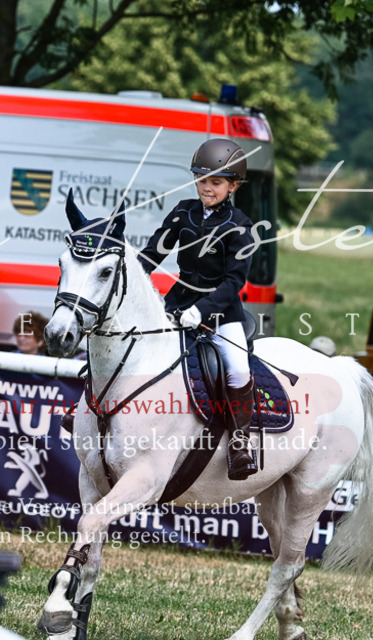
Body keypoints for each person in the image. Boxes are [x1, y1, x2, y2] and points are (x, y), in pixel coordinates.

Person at [136, 138, 258, 480]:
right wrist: (130, 273)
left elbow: (235, 281)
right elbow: (153, 254)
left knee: (237, 368)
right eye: (202, 180)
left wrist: (202, 310)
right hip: (176, 302)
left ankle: (239, 444)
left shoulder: (241, 226)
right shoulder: (183, 211)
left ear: (232, 186)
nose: (207, 188)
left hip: (221, 311)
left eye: (216, 182)